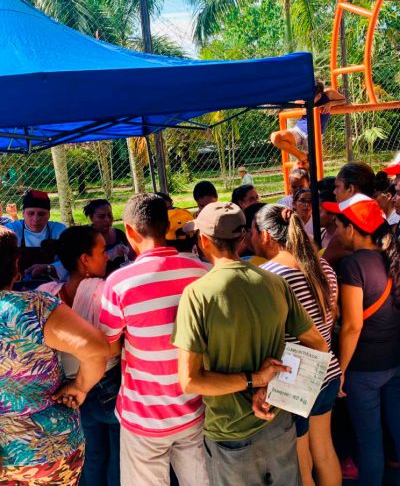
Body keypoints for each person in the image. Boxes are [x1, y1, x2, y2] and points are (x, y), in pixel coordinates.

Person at [172, 201, 328, 485]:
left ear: (203, 241)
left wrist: (256, 380)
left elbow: (190, 380)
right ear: (242, 238)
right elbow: (319, 345)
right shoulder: (274, 283)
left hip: (230, 433)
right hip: (278, 422)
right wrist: (273, 386)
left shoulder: (197, 295)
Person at [99, 193, 210, 486]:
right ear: (166, 226)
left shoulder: (119, 283)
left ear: (130, 231)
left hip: (143, 416)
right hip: (196, 407)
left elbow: (109, 346)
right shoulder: (203, 272)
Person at [0, 226, 110, 484]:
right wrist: (80, 386)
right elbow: (96, 348)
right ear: (16, 264)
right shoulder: (35, 307)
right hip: (50, 449)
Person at [252, 204, 341, 486]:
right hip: (327, 369)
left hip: (293, 376)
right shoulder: (323, 266)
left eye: (252, 232)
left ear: (265, 235)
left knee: (302, 462)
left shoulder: (268, 276)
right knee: (325, 450)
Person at [323, 194, 400, 485]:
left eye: (338, 226)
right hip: (394, 360)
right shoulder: (391, 255)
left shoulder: (354, 265)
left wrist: (340, 370)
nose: (336, 232)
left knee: (369, 438)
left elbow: (353, 325)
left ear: (352, 229)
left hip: (364, 369)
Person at [38, 226, 121, 486]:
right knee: (120, 458)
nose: (107, 256)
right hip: (109, 384)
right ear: (85, 259)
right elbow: (114, 346)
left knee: (91, 456)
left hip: (68, 392)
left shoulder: (46, 294)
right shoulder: (105, 290)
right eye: (102, 251)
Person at [270, 79, 345, 166]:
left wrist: (330, 104)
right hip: (299, 130)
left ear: (319, 96)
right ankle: (301, 156)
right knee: (275, 137)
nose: (306, 99)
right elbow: (292, 105)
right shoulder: (303, 98)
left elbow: (344, 100)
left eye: (309, 98)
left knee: (310, 166)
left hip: (314, 134)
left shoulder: (329, 93)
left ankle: (306, 161)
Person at [5, 189, 66, 279]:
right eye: (31, 213)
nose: (36, 219)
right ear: (23, 214)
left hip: (52, 282)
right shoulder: (11, 230)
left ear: (49, 215)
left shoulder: (59, 230)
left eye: (41, 214)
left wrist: (50, 267)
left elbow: (71, 260)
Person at [84, 199, 134, 275]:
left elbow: (133, 256)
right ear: (91, 218)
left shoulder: (119, 234)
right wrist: (110, 254)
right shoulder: (87, 238)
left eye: (110, 215)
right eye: (101, 217)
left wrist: (128, 250)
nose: (107, 220)